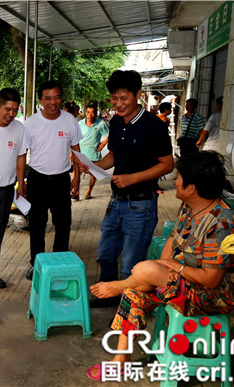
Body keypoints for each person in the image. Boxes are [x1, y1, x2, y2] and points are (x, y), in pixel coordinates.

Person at [88, 151, 234, 380]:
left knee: (144, 273)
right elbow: (172, 239)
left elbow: (211, 280)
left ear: (192, 188)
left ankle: (118, 286)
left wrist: (167, 266)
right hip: (183, 280)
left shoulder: (222, 224)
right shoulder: (190, 207)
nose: (175, 182)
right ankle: (121, 358)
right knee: (138, 286)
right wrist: (159, 268)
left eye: (179, 179)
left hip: (212, 295)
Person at [90, 70, 174, 307]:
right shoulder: (115, 122)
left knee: (131, 264)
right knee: (105, 255)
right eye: (114, 99)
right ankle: (108, 296)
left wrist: (133, 178)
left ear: (138, 94)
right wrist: (93, 166)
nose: (118, 104)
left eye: (124, 98)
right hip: (116, 202)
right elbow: (114, 156)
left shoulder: (153, 126)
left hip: (141, 205)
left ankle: (129, 311)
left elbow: (167, 164)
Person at [24, 80, 83, 280]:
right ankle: (36, 265)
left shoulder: (70, 120)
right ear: (40, 100)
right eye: (48, 98)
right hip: (37, 180)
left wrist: (76, 178)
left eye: (57, 97)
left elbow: (76, 150)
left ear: (62, 98)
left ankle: (61, 262)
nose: (53, 102)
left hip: (61, 180)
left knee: (63, 223)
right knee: (37, 225)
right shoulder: (31, 122)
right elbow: (22, 154)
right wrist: (20, 182)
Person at [0, 88, 28, 289]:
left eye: (15, 110)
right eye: (7, 109)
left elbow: (20, 157)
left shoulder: (19, 128)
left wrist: (21, 183)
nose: (11, 114)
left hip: (6, 189)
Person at [78, 103, 109, 200]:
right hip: (80, 153)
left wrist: (102, 144)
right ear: (85, 113)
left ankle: (88, 192)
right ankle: (76, 191)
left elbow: (109, 135)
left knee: (93, 173)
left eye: (92, 113)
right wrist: (72, 152)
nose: (90, 115)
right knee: (77, 172)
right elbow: (75, 138)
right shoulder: (80, 124)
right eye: (88, 112)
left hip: (94, 153)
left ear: (96, 113)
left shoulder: (101, 124)